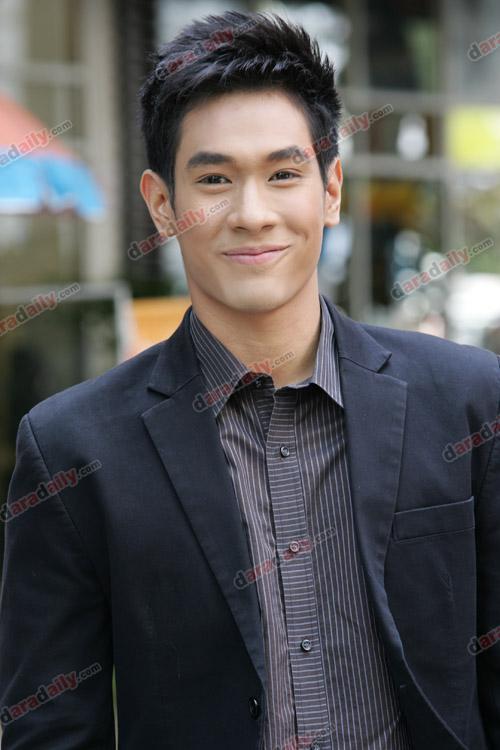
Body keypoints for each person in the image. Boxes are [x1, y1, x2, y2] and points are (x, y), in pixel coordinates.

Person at [0, 10, 499, 750]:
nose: (252, 214)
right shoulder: (72, 448)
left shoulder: (469, 400)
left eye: (283, 174)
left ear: (330, 189)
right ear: (162, 205)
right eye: (214, 179)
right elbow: (51, 729)